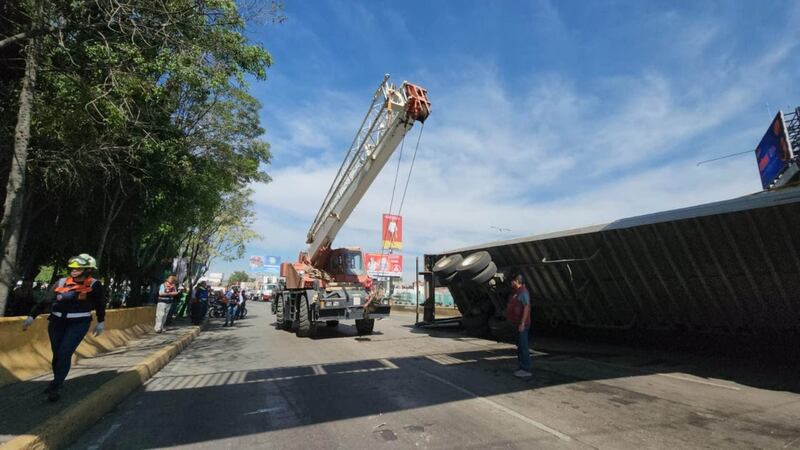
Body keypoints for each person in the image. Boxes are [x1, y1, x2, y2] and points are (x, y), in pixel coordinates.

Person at [21, 254, 105, 402]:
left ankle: (57, 386)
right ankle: (56, 380)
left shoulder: (94, 284)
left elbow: (100, 304)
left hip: (79, 323)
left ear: (87, 270)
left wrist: (101, 321)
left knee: (65, 352)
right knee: (57, 353)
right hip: (56, 322)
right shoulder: (61, 281)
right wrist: (31, 316)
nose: (74, 271)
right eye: (72, 268)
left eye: (78, 268)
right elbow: (46, 300)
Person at [505, 273, 532, 378]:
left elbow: (526, 307)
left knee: (523, 346)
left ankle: (526, 368)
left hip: (522, 325)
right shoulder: (516, 292)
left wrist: (522, 323)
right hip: (516, 323)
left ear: (517, 281)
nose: (511, 283)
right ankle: (521, 366)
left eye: (512, 281)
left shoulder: (523, 292)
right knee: (520, 346)